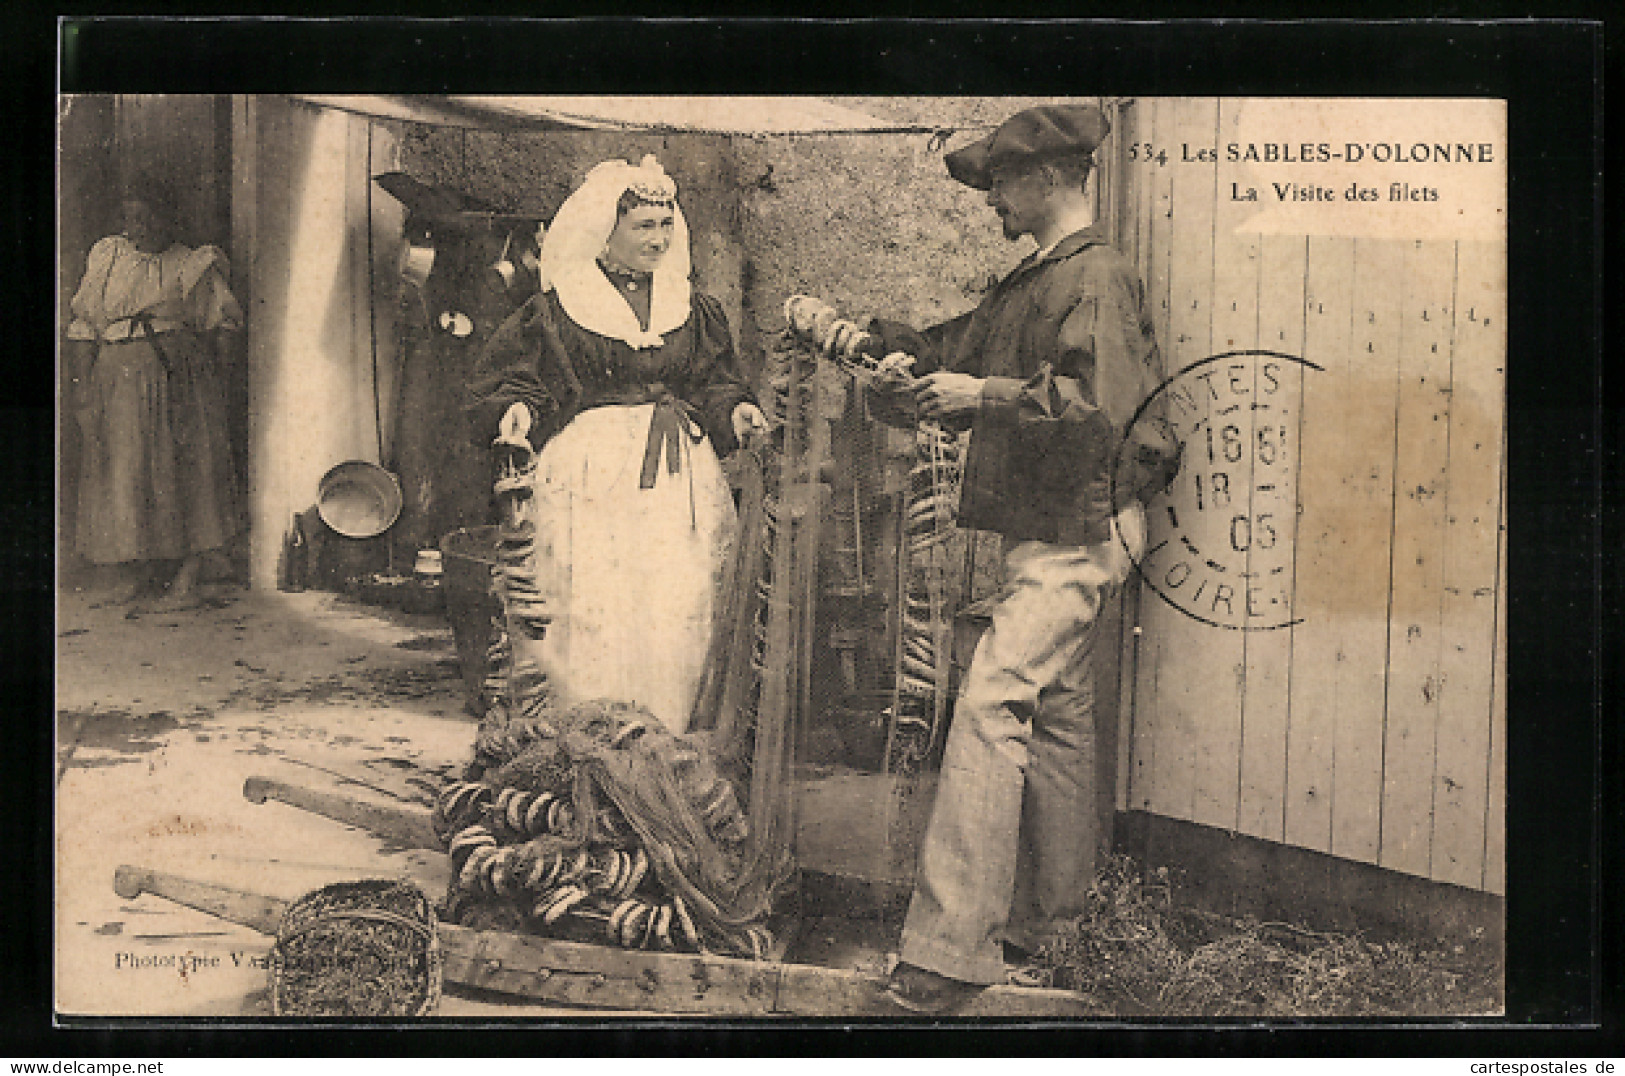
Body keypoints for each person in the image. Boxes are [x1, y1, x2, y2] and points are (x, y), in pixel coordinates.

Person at [820, 104, 1180, 1012]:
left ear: (1049, 178)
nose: (988, 198)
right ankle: (1059, 934)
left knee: (988, 704)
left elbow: (1094, 410)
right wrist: (893, 357)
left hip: (1084, 529)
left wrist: (978, 394)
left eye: (999, 181)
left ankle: (949, 955)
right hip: (1058, 529)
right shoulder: (1038, 279)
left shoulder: (1094, 277)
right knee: (1054, 719)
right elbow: (953, 347)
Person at [470, 156, 769, 737]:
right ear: (606, 230)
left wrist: (736, 409)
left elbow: (714, 380)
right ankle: (589, 736)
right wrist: (518, 409)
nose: (659, 239)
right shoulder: (561, 307)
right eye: (643, 226)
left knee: (674, 599)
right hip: (592, 473)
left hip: (679, 476)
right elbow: (528, 377)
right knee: (596, 599)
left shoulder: (690, 306)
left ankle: (669, 735)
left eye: (666, 225)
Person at [65, 180, 244, 611]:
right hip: (116, 379)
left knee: (182, 474)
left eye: (148, 219)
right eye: (131, 219)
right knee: (125, 476)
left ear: (169, 218)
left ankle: (187, 580)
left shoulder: (191, 263)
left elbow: (225, 324)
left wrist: (213, 382)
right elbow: (82, 329)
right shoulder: (107, 256)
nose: (138, 228)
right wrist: (83, 388)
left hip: (175, 377)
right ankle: (136, 573)